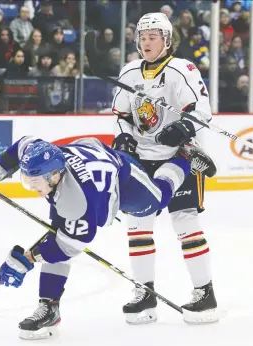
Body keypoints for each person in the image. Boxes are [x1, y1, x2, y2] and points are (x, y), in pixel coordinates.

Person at [0, 136, 216, 340]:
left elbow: (67, 246)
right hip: (86, 156)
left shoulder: (79, 203)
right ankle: (49, 306)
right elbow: (21, 146)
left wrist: (26, 260)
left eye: (36, 183)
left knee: (158, 198)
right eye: (27, 182)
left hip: (120, 174)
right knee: (57, 230)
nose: (33, 188)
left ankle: (184, 157)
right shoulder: (42, 160)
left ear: (54, 176)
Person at [85, 12, 219, 325]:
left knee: (186, 224)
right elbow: (122, 114)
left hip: (181, 156)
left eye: (153, 36)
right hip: (143, 159)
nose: (146, 42)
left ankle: (205, 292)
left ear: (167, 40)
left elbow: (201, 109)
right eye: (142, 37)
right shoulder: (130, 71)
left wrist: (183, 127)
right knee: (138, 225)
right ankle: (144, 293)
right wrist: (125, 137)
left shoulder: (181, 69)